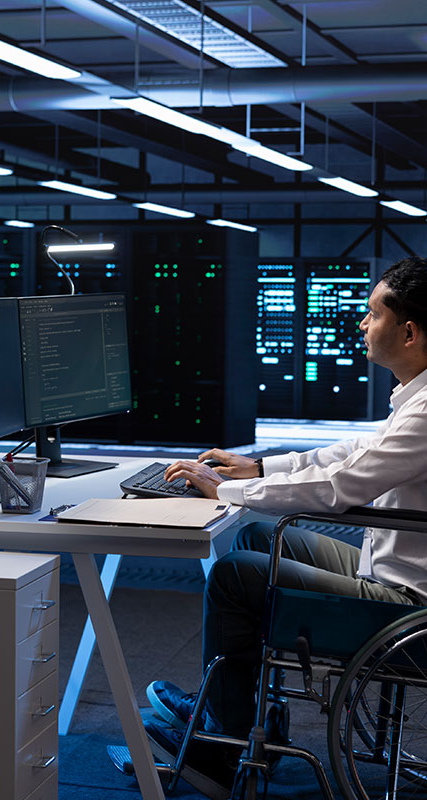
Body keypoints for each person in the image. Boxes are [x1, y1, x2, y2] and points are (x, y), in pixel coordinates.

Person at [141, 255, 427, 800]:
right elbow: (350, 452)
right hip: (392, 562)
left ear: (409, 331)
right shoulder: (416, 398)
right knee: (254, 538)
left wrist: (226, 489)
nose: (361, 324)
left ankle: (223, 748)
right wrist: (259, 468)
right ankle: (237, 709)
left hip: (406, 601)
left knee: (234, 574)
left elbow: (340, 486)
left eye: (372, 314)